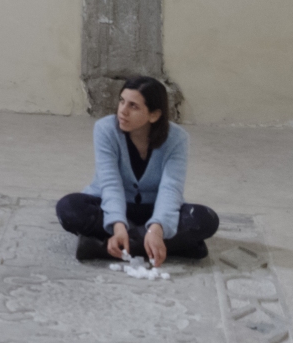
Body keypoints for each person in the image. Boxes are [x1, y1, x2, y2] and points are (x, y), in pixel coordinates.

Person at [55, 76, 220, 263]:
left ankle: (101, 247)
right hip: (111, 205)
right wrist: (118, 225)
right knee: (68, 208)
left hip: (154, 209)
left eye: (133, 106)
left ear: (154, 115)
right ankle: (172, 246)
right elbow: (110, 183)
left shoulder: (177, 138)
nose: (122, 111)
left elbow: (171, 188)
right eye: (122, 101)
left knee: (206, 219)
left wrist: (156, 228)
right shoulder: (105, 129)